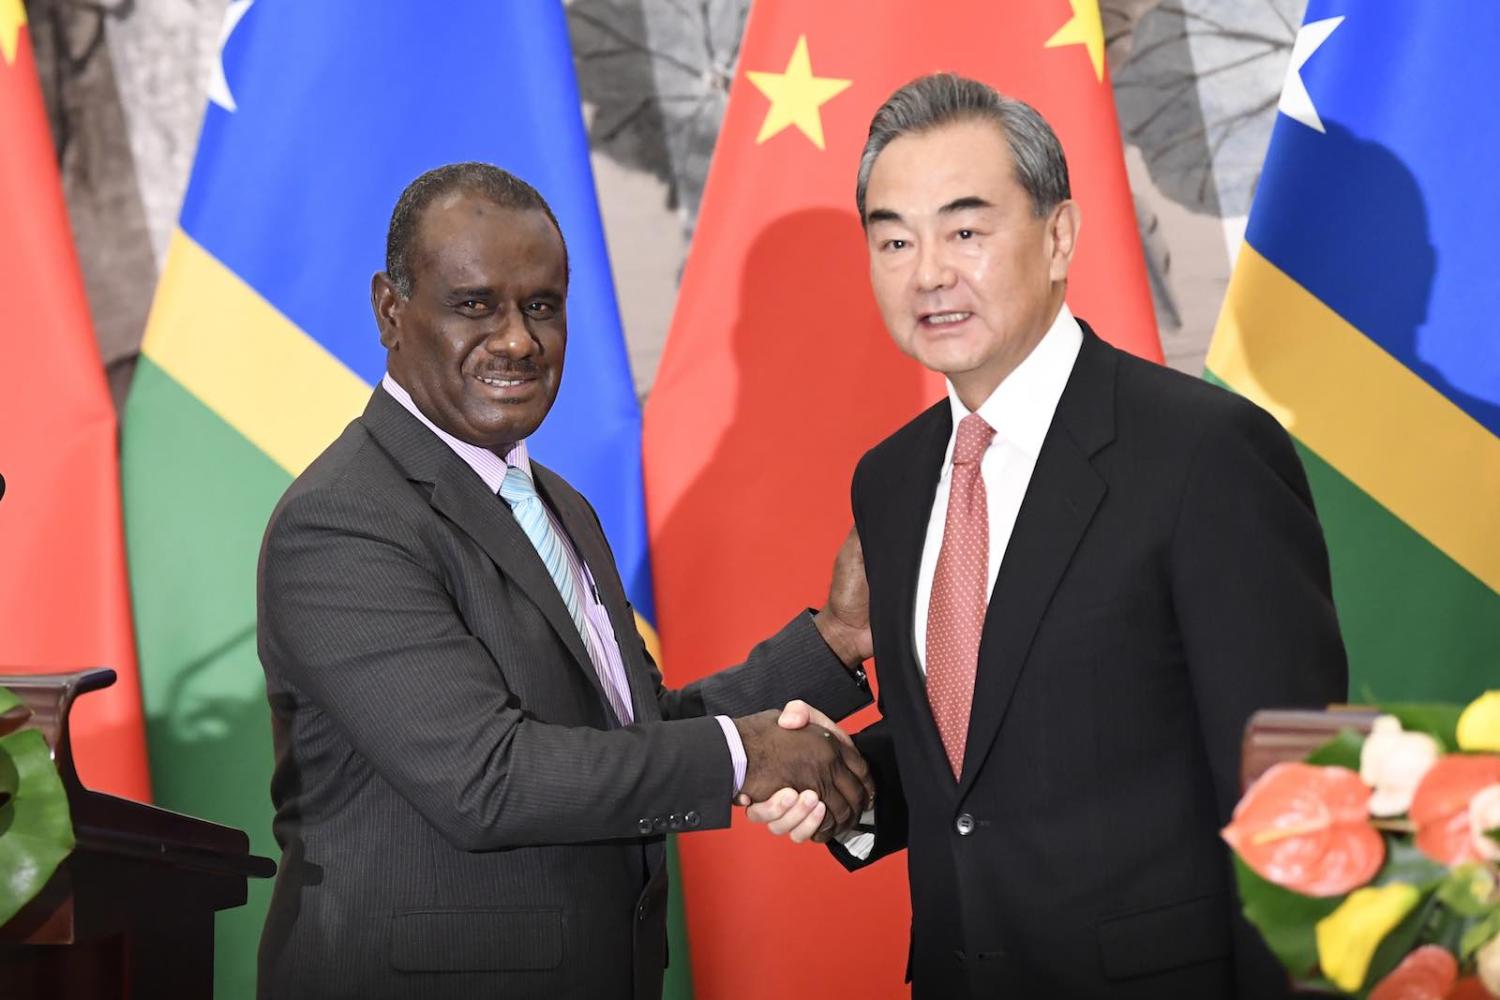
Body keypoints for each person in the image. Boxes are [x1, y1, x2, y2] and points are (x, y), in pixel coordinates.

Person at [748, 74, 1348, 998]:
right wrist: (849, 785)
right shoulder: (893, 479)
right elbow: (983, 736)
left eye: (966, 230)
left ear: (1059, 235)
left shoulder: (1202, 453)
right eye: (895, 238)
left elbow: (1292, 788)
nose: (928, 272)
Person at [255, 162, 874, 1000]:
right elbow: (489, 778)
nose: (517, 339)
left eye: (541, 306)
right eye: (476, 305)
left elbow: (635, 731)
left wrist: (838, 639)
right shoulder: (343, 520)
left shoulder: (557, 504)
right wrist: (745, 756)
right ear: (390, 311)